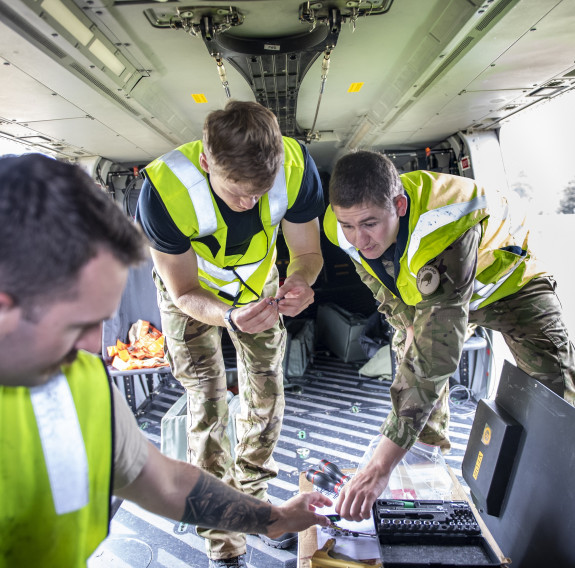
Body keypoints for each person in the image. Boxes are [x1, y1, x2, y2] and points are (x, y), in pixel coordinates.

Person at [0, 153, 331, 568]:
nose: (94, 348)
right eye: (75, 325)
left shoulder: (77, 380)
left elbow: (164, 481)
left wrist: (273, 518)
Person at [323, 150, 575, 522]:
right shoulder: (340, 224)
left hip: (512, 287)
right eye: (348, 225)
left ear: (400, 206)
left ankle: (561, 493)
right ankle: (423, 460)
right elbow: (379, 284)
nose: (358, 238)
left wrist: (377, 469)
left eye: (370, 224)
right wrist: (406, 324)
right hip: (439, 300)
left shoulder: (444, 226)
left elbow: (437, 354)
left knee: (556, 394)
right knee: (409, 354)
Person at [135, 100, 325, 566]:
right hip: (192, 295)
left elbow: (306, 251)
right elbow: (183, 289)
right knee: (208, 403)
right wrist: (230, 317)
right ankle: (223, 540)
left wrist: (302, 280)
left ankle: (261, 511)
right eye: (237, 192)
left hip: (260, 285)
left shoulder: (297, 169)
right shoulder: (164, 190)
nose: (250, 203)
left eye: (260, 192)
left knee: (266, 393)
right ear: (205, 161)